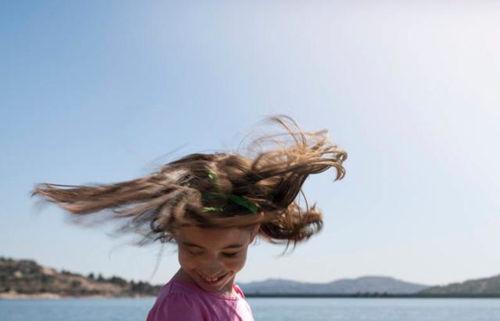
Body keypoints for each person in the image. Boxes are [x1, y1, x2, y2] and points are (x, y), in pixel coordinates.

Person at [32, 115, 347, 321]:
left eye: (230, 252)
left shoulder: (229, 293)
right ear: (176, 235)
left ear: (253, 232)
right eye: (194, 250)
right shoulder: (182, 305)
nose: (211, 268)